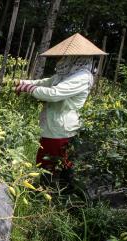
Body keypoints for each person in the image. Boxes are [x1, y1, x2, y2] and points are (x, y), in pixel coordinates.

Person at [14, 33, 107, 189]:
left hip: (62, 129)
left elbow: (54, 94)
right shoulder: (67, 73)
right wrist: (22, 82)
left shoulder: (82, 76)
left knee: (53, 164)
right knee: (47, 161)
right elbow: (46, 82)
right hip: (52, 126)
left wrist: (27, 88)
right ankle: (51, 192)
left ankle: (53, 195)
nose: (62, 59)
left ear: (77, 57)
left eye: (67, 56)